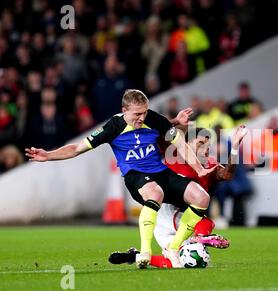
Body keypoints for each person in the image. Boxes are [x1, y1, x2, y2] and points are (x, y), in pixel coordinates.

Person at [25, 89, 216, 269]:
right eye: (137, 114)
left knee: (201, 198)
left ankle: (172, 248)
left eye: (144, 112)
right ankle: (145, 253)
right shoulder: (113, 127)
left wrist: (199, 169)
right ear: (124, 110)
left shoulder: (153, 118)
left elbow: (180, 143)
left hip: (161, 172)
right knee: (155, 193)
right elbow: (76, 149)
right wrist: (48, 155)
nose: (142, 118)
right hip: (136, 176)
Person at [108, 125, 248, 268]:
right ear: (186, 145)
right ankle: (199, 237)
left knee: (180, 262)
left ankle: (134, 255)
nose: (206, 148)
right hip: (165, 211)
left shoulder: (209, 164)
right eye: (200, 143)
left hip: (184, 218)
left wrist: (235, 146)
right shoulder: (175, 156)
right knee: (205, 223)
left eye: (208, 145)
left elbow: (227, 174)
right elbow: (165, 135)